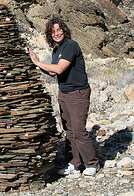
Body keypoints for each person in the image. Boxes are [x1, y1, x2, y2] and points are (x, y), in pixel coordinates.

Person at [29, 17, 99, 176]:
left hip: (77, 93)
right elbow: (53, 72)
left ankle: (92, 164)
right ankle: (74, 164)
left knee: (79, 130)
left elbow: (60, 69)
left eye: (59, 30)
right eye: (53, 31)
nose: (56, 34)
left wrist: (37, 63)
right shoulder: (57, 49)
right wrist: (38, 63)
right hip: (64, 92)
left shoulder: (71, 45)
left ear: (64, 30)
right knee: (69, 130)